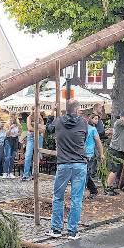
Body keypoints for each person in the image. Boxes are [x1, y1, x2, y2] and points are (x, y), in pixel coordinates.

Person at [45, 99, 89, 239]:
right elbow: (84, 137)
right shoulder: (83, 123)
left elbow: (48, 129)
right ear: (76, 110)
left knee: (58, 197)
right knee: (76, 198)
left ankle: (57, 229)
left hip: (64, 163)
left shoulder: (58, 121)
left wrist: (52, 111)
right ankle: (72, 230)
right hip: (80, 163)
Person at [82, 113, 105, 198]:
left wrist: (102, 153)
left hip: (89, 154)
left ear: (87, 121)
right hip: (80, 154)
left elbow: (98, 141)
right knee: (85, 173)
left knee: (86, 173)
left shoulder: (92, 129)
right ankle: (93, 190)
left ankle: (81, 192)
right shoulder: (79, 129)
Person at [22, 105, 46, 180]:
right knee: (28, 155)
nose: (34, 111)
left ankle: (34, 175)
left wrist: (34, 129)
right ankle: (26, 174)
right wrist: (37, 130)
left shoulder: (40, 119)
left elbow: (43, 130)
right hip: (31, 137)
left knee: (37, 156)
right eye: (33, 109)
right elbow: (29, 128)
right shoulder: (29, 118)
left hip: (38, 137)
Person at [3, 112, 21, 178]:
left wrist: (12, 135)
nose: (17, 116)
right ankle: (5, 172)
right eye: (16, 115)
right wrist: (10, 128)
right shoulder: (7, 124)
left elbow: (19, 133)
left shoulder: (18, 124)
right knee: (8, 157)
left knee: (13, 157)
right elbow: (7, 134)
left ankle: (10, 172)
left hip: (15, 140)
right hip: (8, 140)